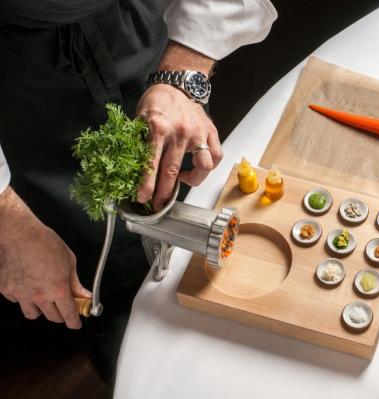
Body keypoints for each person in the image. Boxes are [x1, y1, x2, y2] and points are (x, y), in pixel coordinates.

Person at [0, 0, 276, 379]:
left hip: (133, 29)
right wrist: (8, 225)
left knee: (168, 168)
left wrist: (181, 75)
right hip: (21, 86)